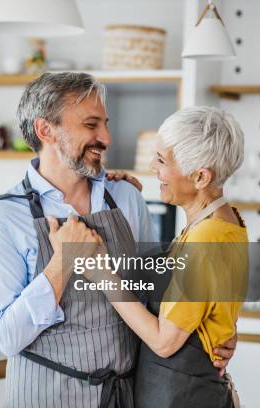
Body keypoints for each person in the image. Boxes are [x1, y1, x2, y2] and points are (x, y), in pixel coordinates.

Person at [0, 73, 235, 408]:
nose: (106, 137)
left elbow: (160, 298)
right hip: (45, 397)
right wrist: (62, 263)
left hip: (125, 397)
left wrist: (215, 330)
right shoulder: (6, 217)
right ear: (45, 130)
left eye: (105, 124)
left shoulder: (126, 198)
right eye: (91, 125)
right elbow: (7, 338)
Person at [52, 106, 247, 408]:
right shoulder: (224, 222)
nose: (153, 168)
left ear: (200, 177)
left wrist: (99, 272)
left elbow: (164, 341)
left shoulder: (206, 239)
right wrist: (120, 190)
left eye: (161, 161)